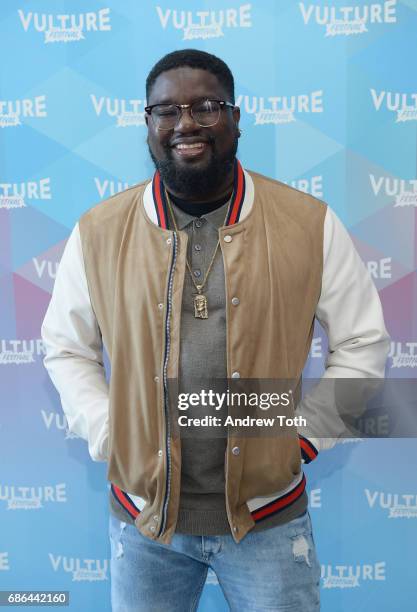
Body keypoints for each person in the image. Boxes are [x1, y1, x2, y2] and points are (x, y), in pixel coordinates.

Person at [41, 49, 390, 611]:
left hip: (268, 520)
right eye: (166, 110)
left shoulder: (308, 224)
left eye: (206, 106)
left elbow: (363, 344)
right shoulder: (99, 232)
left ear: (235, 117)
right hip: (144, 523)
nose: (185, 124)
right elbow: (65, 348)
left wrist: (302, 437)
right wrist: (111, 433)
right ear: (148, 124)